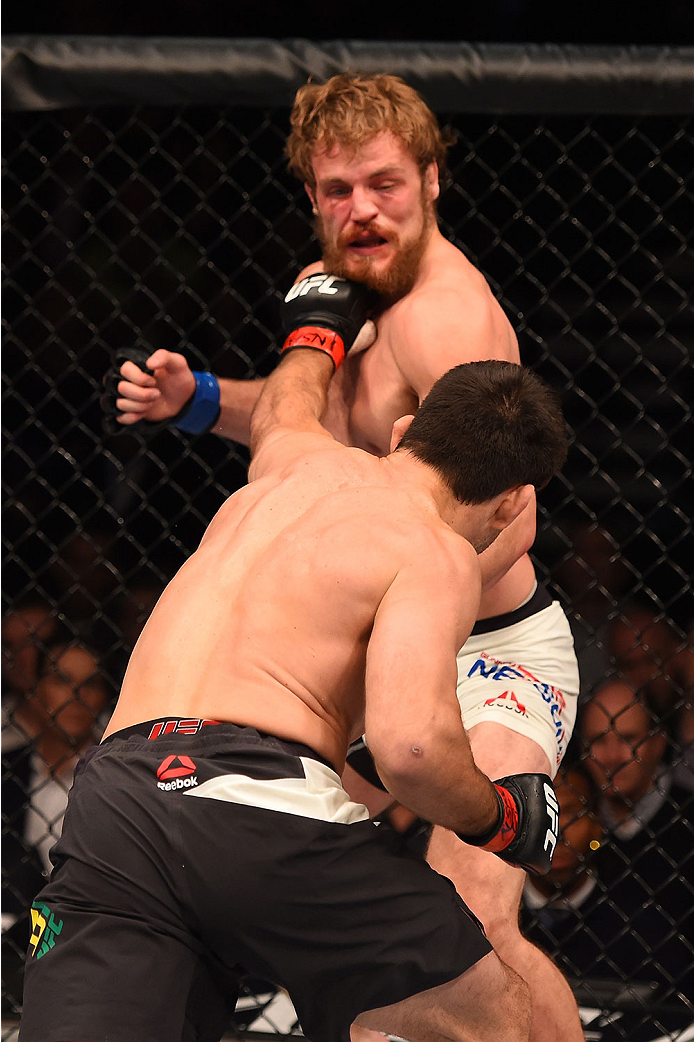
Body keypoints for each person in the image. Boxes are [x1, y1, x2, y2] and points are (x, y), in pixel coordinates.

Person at [100, 72, 582, 1040]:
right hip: (379, 653)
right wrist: (199, 399)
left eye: (382, 184)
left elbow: (510, 516)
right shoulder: (350, 295)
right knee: (318, 912)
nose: (359, 209)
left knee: (472, 912)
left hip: (483, 649)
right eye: (335, 190)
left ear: (431, 181)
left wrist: (405, 610)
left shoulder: (439, 318)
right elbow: (308, 440)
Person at [21, 307, 570, 1042]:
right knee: (491, 1011)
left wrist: (318, 328)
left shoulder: (294, 461)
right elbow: (412, 750)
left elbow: (285, 402)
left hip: (114, 797)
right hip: (252, 799)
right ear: (509, 502)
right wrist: (501, 819)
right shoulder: (431, 548)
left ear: (409, 435)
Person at [579, 679, 694, 1005]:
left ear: (658, 743)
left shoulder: (687, 823)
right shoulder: (571, 823)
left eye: (627, 739)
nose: (612, 756)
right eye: (598, 740)